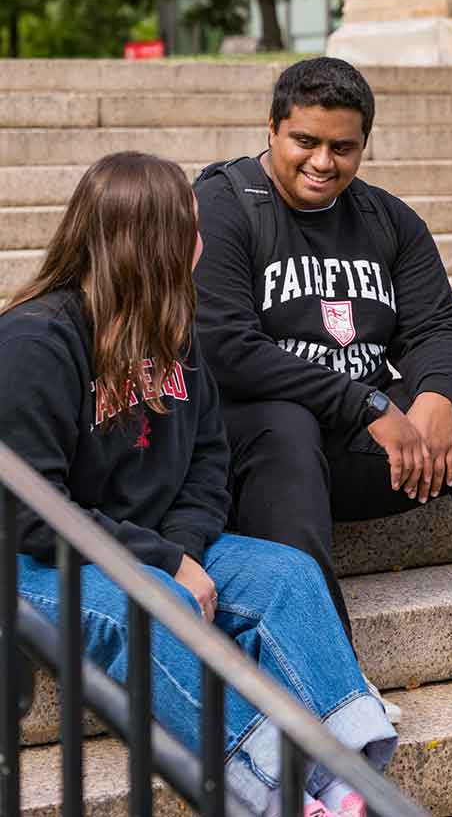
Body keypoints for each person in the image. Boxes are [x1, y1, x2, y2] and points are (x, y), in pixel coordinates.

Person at [192, 57, 452, 716]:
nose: (322, 161)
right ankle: (328, 669)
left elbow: (441, 326)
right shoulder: (223, 205)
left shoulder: (386, 219)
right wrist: (363, 401)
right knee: (285, 422)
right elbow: (225, 349)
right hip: (258, 457)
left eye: (343, 146)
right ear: (272, 129)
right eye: (305, 141)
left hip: (370, 450)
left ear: (364, 143)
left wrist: (435, 398)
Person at [1, 152, 397, 817]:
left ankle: (350, 771)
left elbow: (210, 461)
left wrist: (183, 549)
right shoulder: (34, 341)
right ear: (150, 242)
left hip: (151, 545)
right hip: (36, 561)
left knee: (287, 575)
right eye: (191, 227)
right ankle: (274, 792)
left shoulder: (174, 331)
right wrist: (165, 564)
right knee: (154, 602)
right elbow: (31, 513)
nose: (204, 242)